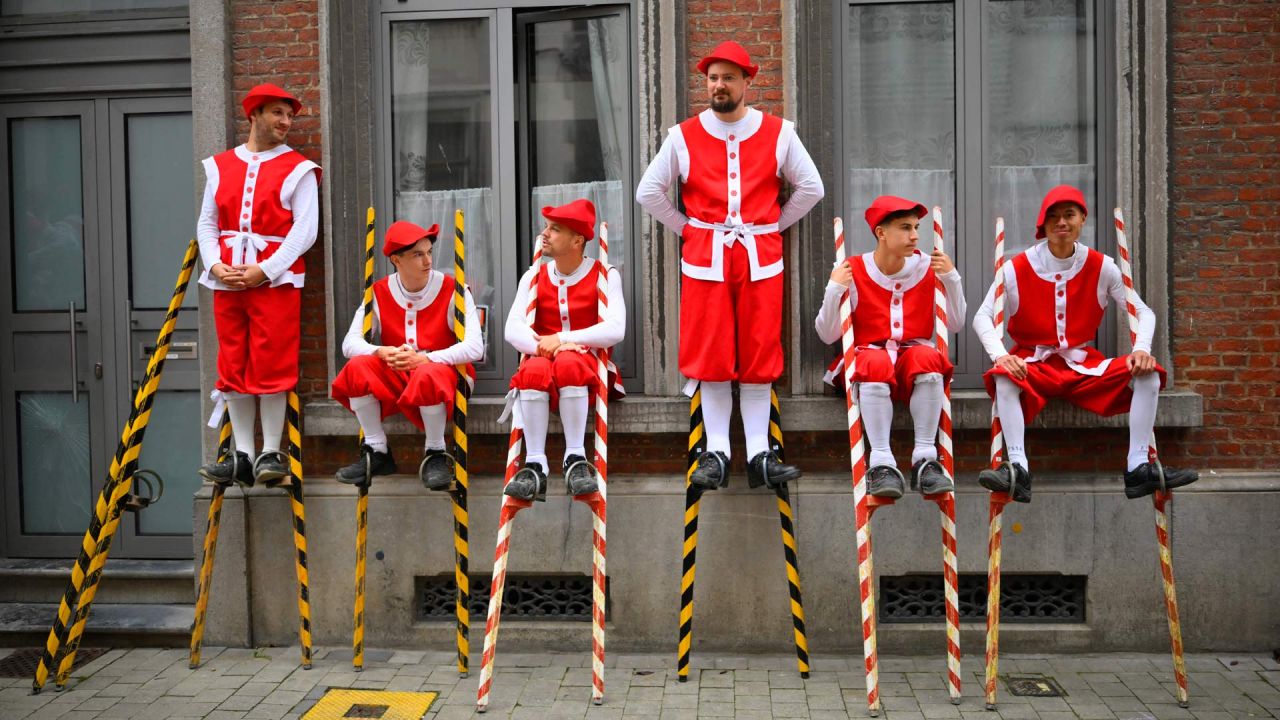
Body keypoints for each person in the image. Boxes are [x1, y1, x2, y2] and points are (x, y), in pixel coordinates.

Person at [636, 40, 824, 490]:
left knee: (759, 353)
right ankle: (716, 452)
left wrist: (773, 224)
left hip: (761, 257)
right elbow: (649, 193)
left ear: (747, 82)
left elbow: (811, 187)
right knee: (712, 355)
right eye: (712, 78)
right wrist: (689, 229)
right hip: (705, 259)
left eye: (727, 78)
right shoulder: (682, 135)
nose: (718, 85)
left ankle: (760, 454)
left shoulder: (779, 132)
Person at [972, 185, 1198, 502]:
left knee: (1148, 372)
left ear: (1082, 220)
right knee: (1004, 377)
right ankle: (1018, 469)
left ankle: (1138, 468)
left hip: (1083, 364)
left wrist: (1141, 349)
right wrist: (1000, 356)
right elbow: (982, 317)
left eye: (1068, 215)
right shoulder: (1016, 268)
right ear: (1043, 224)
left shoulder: (1101, 266)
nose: (1061, 222)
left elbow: (1142, 312)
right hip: (1033, 363)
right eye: (1053, 217)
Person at [196, 83, 320, 487]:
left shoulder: (299, 169)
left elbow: (305, 231)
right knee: (233, 360)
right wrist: (215, 265)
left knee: (271, 360)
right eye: (278, 114)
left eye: (289, 116)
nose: (286, 122)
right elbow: (208, 223)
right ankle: (242, 455)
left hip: (276, 281)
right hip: (228, 279)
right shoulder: (219, 166)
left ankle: (271, 451)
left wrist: (265, 270)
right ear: (254, 115)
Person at [814, 196, 966, 497]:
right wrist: (835, 289)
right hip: (871, 359)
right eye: (905, 227)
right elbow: (827, 333)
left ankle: (925, 461)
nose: (915, 236)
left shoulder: (929, 266)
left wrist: (951, 278)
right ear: (881, 232)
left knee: (929, 357)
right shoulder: (853, 269)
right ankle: (881, 463)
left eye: (917, 227)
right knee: (874, 361)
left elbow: (957, 323)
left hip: (913, 359)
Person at [330, 220, 483, 488]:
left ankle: (435, 453)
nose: (427, 260)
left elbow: (474, 347)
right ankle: (377, 450)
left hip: (445, 377)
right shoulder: (378, 291)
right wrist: (382, 351)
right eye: (417, 254)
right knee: (356, 367)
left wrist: (426, 357)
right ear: (396, 260)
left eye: (428, 252)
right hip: (400, 375)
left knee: (428, 372)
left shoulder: (454, 289)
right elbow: (349, 343)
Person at [502, 199, 625, 501]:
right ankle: (534, 464)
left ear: (577, 240)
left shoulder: (605, 275)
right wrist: (548, 347)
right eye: (546, 227)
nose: (545, 234)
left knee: (570, 361)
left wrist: (564, 338)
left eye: (555, 229)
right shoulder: (533, 276)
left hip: (586, 371)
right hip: (544, 366)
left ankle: (575, 458)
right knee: (531, 369)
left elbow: (615, 329)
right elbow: (512, 328)